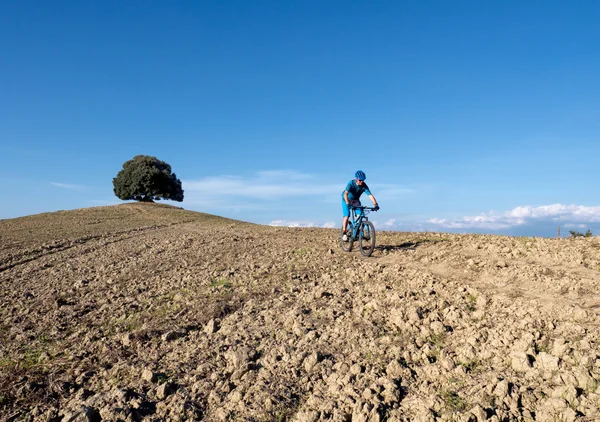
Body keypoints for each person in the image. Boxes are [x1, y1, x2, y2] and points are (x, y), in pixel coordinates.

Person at [341, 170, 379, 241]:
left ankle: (357, 231)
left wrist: (375, 204)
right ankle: (344, 233)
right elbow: (346, 193)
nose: (362, 181)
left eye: (363, 180)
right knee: (347, 216)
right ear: (356, 179)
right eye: (360, 180)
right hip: (346, 200)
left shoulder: (364, 186)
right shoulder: (351, 183)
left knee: (360, 214)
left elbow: (370, 195)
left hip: (355, 200)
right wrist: (347, 202)